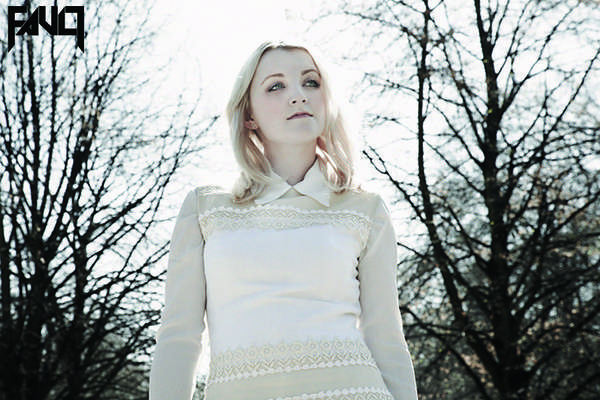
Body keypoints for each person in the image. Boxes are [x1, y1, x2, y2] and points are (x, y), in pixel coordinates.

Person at [149, 40, 418, 400]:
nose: (298, 96)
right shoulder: (205, 208)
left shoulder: (365, 209)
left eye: (311, 82)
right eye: (276, 86)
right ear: (249, 115)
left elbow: (386, 338)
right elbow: (178, 337)